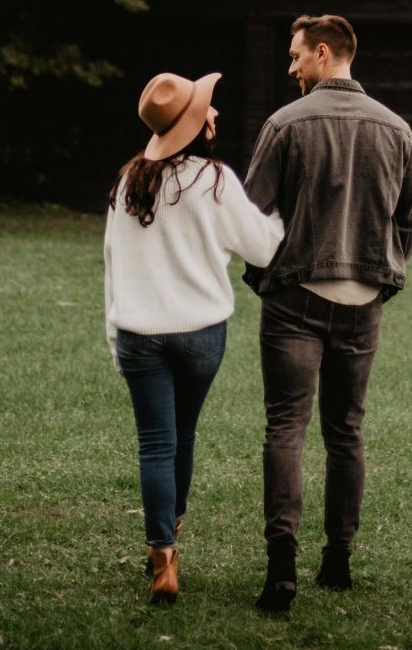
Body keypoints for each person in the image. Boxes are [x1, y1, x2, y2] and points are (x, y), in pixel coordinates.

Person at [242, 14, 412, 612]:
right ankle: (338, 561)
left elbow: (250, 217)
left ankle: (281, 570)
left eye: (296, 56)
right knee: (346, 432)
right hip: (362, 305)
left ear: (324, 54)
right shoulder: (397, 129)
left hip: (294, 300)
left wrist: (266, 277)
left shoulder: (284, 124)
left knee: (284, 429)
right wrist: (379, 276)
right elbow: (410, 221)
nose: (291, 67)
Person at [105, 71, 284, 604]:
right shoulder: (216, 181)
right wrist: (282, 212)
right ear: (192, 124)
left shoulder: (127, 182)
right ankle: (172, 528)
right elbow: (264, 249)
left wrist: (114, 339)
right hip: (201, 334)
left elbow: (112, 266)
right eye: (207, 109)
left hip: (138, 333)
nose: (215, 114)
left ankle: (163, 557)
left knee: (154, 443)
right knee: (182, 436)